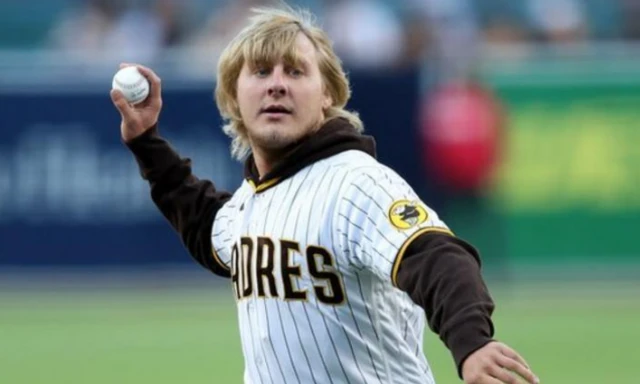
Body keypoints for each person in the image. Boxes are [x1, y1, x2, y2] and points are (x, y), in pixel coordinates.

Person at [110, 6, 539, 384]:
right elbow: (207, 228)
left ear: (327, 95)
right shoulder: (252, 200)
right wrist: (147, 143)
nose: (277, 85)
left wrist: (472, 343)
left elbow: (437, 257)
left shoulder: (356, 184)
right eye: (260, 72)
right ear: (234, 98)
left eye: (295, 72)